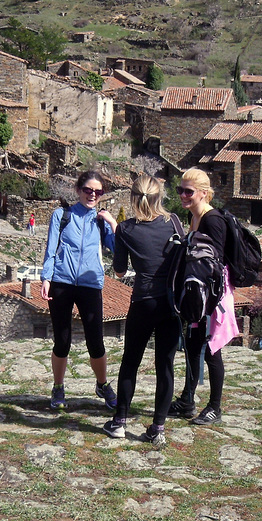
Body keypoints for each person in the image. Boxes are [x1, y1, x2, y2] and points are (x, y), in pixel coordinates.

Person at [102, 175, 183, 446]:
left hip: (143, 300)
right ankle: (157, 427)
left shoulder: (125, 229)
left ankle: (119, 422)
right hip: (171, 303)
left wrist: (115, 231)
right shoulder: (173, 222)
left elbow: (120, 270)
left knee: (131, 362)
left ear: (133, 199)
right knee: (165, 365)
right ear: (159, 197)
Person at [40, 170, 117, 411]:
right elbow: (51, 248)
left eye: (98, 191)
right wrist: (46, 277)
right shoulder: (61, 215)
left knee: (96, 341)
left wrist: (113, 224)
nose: (92, 194)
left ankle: (102, 384)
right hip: (62, 283)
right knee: (62, 341)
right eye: (88, 190)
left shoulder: (100, 220)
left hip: (90, 284)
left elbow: (116, 249)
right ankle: (58, 387)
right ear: (78, 190)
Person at [169, 168, 239, 426]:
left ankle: (215, 407)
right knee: (192, 344)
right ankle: (188, 400)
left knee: (212, 350)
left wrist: (208, 303)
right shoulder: (196, 218)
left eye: (189, 191)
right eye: (180, 190)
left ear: (204, 193)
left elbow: (215, 264)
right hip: (199, 294)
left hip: (213, 297)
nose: (183, 195)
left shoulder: (212, 220)